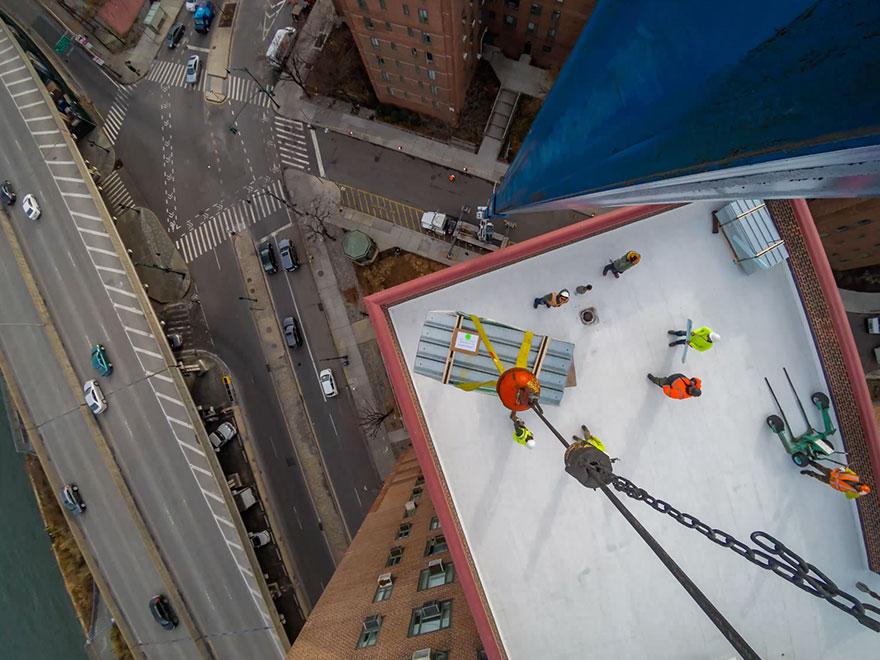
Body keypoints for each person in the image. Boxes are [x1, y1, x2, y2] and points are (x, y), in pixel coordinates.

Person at [800, 461, 871, 499]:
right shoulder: (855, 478)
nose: (858, 488)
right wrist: (844, 469)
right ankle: (810, 462)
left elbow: (848, 496)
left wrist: (857, 493)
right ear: (862, 484)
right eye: (860, 487)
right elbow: (848, 471)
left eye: (859, 489)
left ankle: (809, 472)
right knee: (821, 468)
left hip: (831, 482)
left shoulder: (854, 493)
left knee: (818, 477)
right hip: (833, 474)